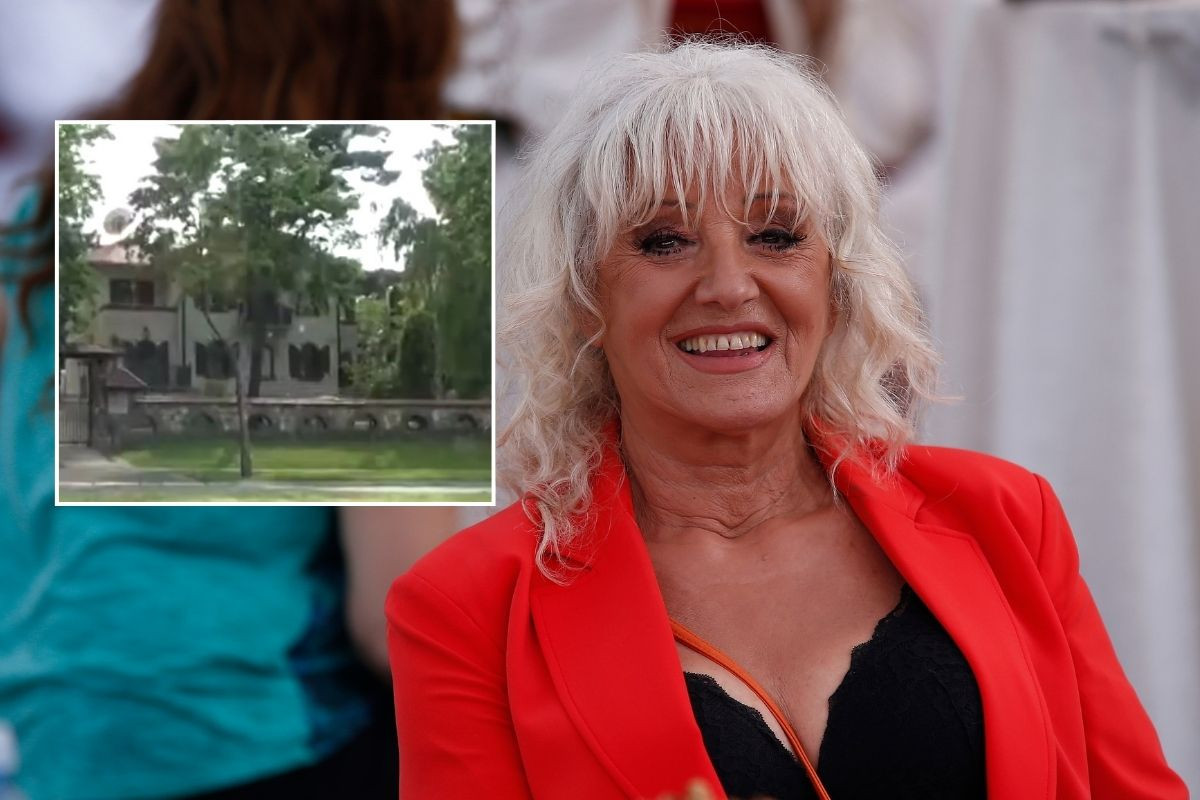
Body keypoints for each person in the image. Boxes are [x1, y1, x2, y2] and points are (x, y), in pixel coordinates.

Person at [386, 42, 1188, 800]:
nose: (729, 285)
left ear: (836, 281)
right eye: (664, 242)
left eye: (776, 235)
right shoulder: (467, 606)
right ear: (583, 297)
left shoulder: (1008, 520)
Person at [0, 2, 458, 798]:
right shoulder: (366, 228)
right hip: (261, 737)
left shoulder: (41, 219)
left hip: (60, 743)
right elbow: (396, 621)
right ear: (402, 48)